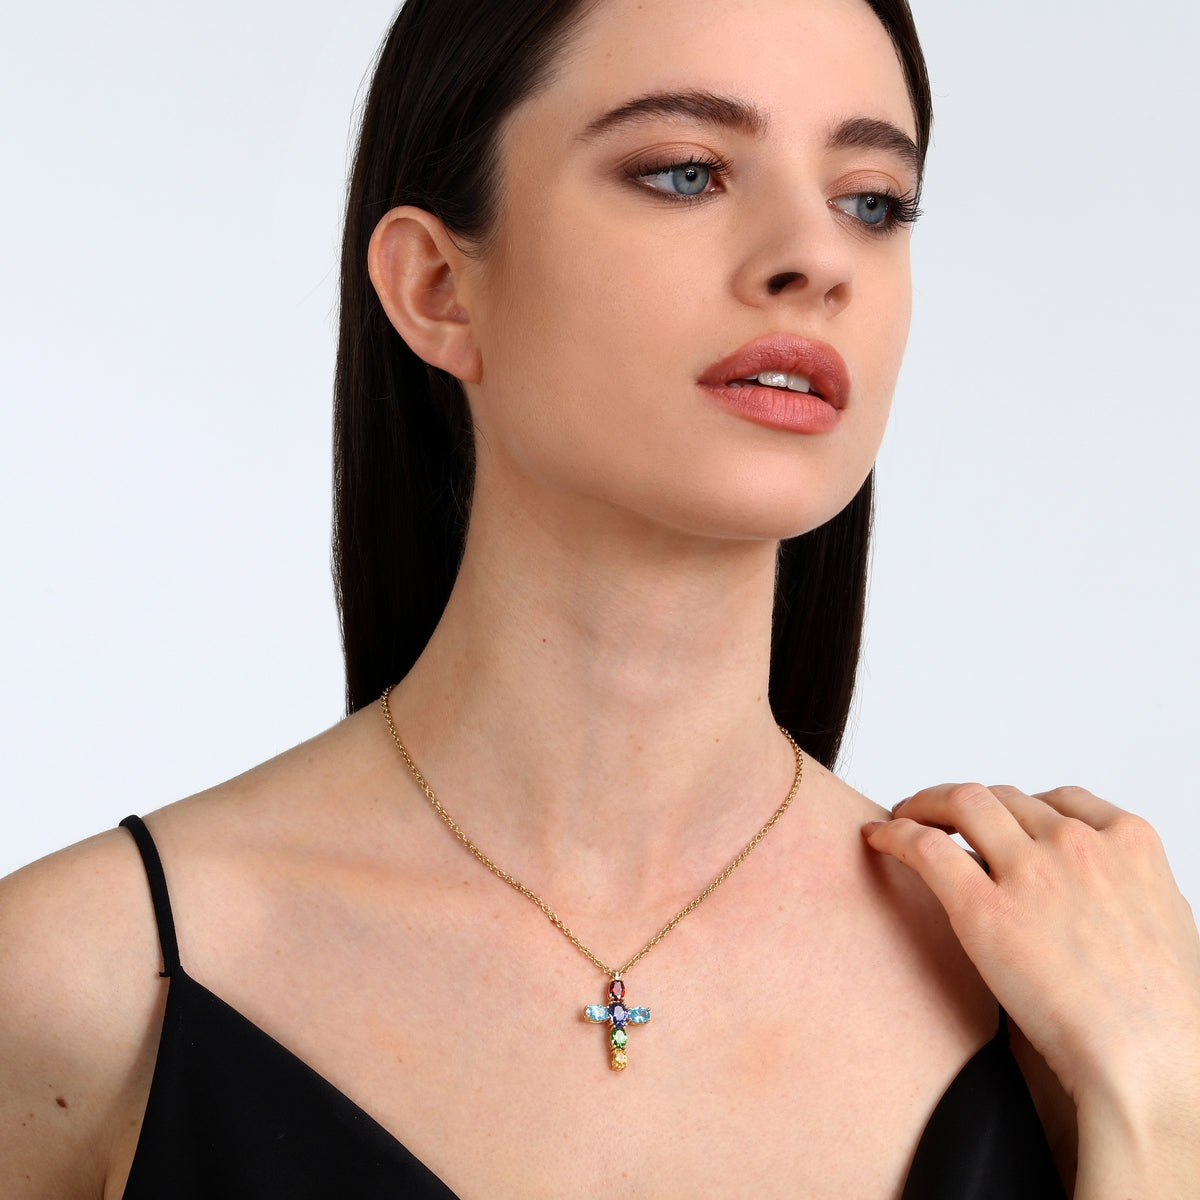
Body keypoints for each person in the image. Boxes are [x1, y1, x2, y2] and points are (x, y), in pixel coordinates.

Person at [1, 0, 1197, 1196]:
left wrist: (1163, 1110)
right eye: (685, 171)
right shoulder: (81, 988)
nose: (817, 257)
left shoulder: (1065, 1006)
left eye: (872, 201)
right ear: (437, 287)